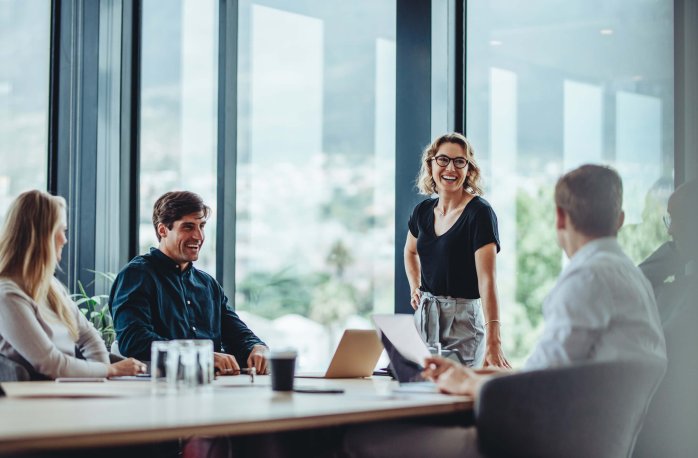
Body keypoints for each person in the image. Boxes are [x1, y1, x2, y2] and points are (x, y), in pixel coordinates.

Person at [342, 164, 666, 457]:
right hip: (587, 443)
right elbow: (554, 373)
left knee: (358, 441)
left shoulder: (586, 279)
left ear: (560, 217)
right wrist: (470, 374)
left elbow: (538, 388)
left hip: (532, 444)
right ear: (620, 219)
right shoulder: (632, 279)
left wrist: (466, 383)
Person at [109, 191, 268, 375]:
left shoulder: (207, 284)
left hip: (211, 389)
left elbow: (237, 333)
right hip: (157, 391)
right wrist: (201, 356)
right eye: (188, 227)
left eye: (201, 226)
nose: (199, 236)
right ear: (163, 230)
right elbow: (134, 341)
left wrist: (257, 347)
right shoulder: (137, 275)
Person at [0, 190, 145, 379]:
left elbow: (88, 336)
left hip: (62, 391)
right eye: (62, 230)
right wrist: (111, 370)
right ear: (43, 236)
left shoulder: (51, 286)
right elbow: (50, 363)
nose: (65, 239)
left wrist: (102, 377)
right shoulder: (7, 295)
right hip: (32, 399)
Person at [405, 132, 509, 368]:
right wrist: (415, 286)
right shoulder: (422, 211)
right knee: (421, 393)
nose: (450, 168)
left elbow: (487, 280)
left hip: (462, 322)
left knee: (458, 398)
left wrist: (494, 341)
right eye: (443, 159)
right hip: (424, 317)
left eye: (459, 161)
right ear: (431, 164)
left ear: (469, 169)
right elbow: (410, 252)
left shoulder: (479, 213)